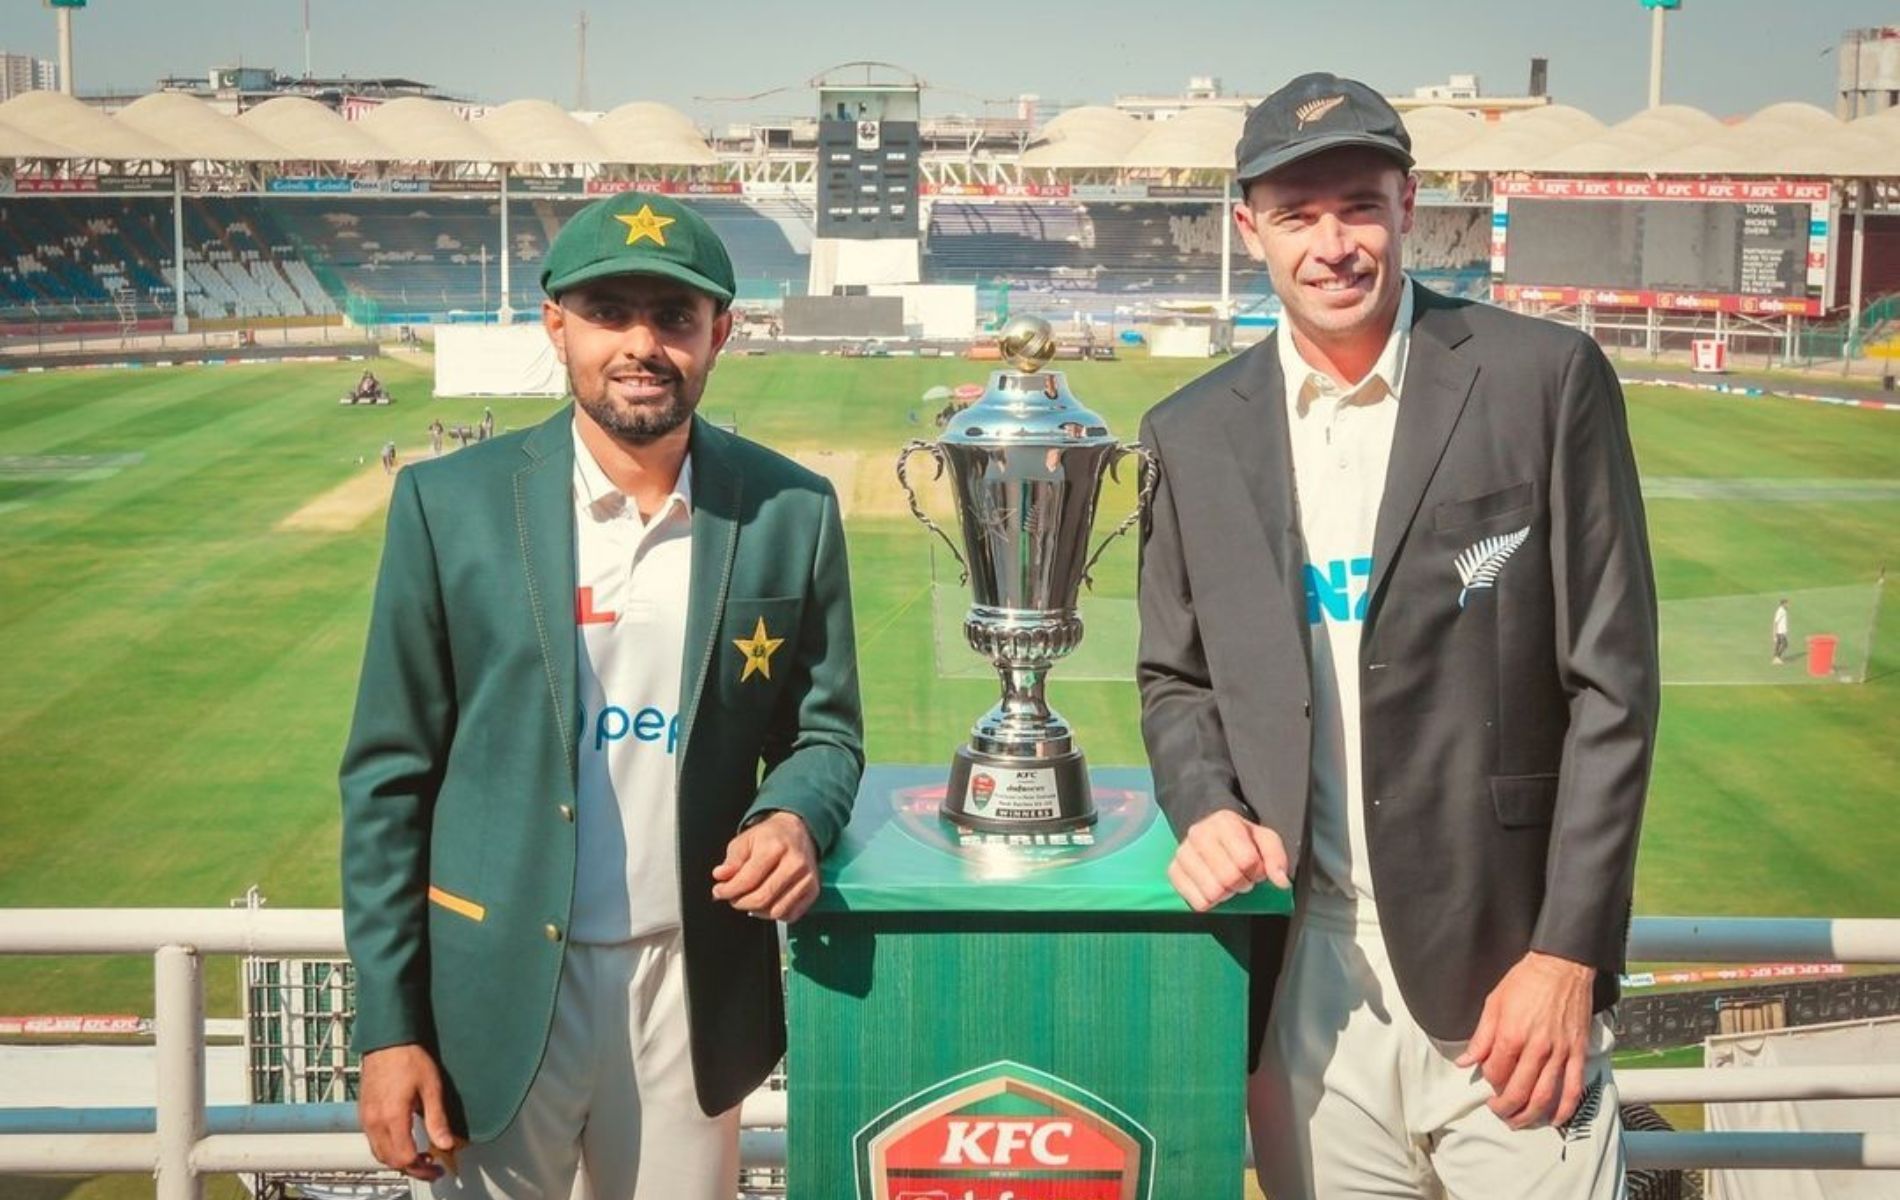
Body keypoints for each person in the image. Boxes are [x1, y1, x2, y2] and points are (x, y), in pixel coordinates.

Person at [1136, 73, 1658, 1200]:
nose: (1333, 244)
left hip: (1509, 983)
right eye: (1296, 214)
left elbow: (1612, 689)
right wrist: (1205, 804)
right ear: (1249, 227)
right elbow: (1174, 679)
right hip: (1299, 986)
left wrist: (1567, 957)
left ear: (1407, 206)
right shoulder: (1188, 433)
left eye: (1358, 206)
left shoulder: (1543, 379)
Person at [341, 189, 865, 1200]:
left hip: (689, 982)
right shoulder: (446, 505)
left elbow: (825, 733)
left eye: (673, 318)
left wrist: (794, 815)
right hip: (492, 990)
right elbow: (387, 782)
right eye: (609, 313)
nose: (641, 345)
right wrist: (389, 1027)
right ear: (556, 325)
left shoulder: (790, 508)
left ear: (721, 332)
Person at [1773, 597, 1790, 664]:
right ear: (1783, 604)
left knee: (1778, 644)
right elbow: (1775, 622)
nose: (1788, 605)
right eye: (1787, 603)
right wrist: (1774, 633)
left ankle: (1775, 658)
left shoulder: (1783, 610)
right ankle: (1777, 657)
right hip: (1780, 632)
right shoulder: (1780, 611)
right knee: (1785, 644)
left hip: (1781, 631)